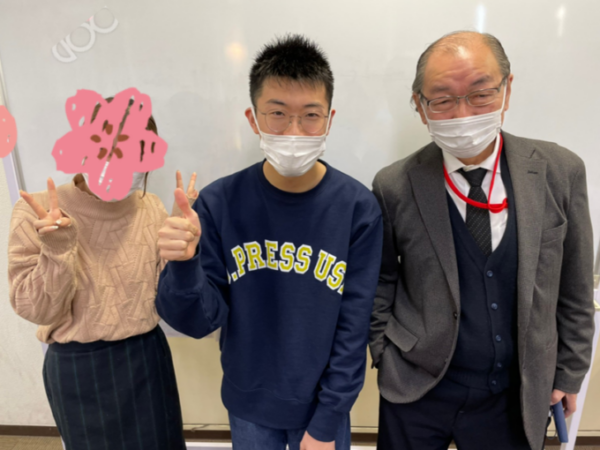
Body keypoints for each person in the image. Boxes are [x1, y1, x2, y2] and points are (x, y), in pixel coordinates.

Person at [155, 35, 383, 450]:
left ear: (329, 119)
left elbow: (354, 327)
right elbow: (197, 322)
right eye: (277, 113)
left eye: (310, 115)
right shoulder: (219, 203)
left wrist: (327, 421)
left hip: (323, 409)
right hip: (248, 404)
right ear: (253, 117)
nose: (294, 131)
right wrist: (184, 264)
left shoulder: (358, 209)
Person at [370, 31, 595, 450]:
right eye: (442, 99)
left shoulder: (560, 172)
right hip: (417, 388)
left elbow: (575, 287)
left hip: (515, 394)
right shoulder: (393, 185)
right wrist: (384, 353)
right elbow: (381, 281)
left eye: (480, 94)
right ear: (420, 105)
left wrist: (569, 372)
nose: (462, 114)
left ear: (507, 90)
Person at [8, 103, 194, 450]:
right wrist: (58, 251)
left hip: (146, 357)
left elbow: (166, 299)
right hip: (79, 367)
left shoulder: (151, 207)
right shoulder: (39, 212)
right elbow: (37, 310)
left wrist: (181, 253)